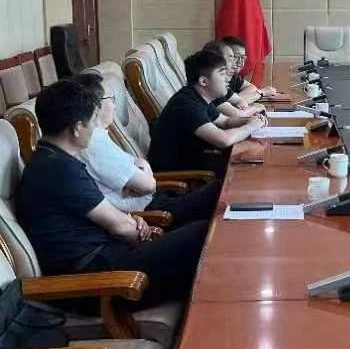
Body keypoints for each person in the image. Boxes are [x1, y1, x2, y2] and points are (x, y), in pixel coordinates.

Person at [15, 80, 207, 307]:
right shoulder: (59, 169)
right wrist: (133, 228)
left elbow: (109, 216)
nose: (94, 128)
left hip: (104, 259)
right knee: (202, 235)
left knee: (202, 237)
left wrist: (130, 221)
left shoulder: (51, 160)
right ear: (77, 128)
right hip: (96, 280)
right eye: (92, 121)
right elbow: (120, 227)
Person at [72, 73, 220, 225]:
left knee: (220, 191)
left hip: (154, 199)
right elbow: (148, 186)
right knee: (219, 192)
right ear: (96, 105)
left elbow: (142, 171)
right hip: (152, 211)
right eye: (111, 99)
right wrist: (142, 170)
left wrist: (142, 168)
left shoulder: (98, 136)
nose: (115, 106)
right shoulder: (94, 145)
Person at [147, 49, 266, 177]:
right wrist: (250, 126)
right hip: (180, 177)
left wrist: (250, 120)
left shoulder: (199, 96)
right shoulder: (186, 104)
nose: (228, 78)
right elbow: (223, 140)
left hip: (197, 165)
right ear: (203, 81)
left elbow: (225, 122)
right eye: (222, 74)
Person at [202, 40, 266, 118]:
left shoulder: (222, 84)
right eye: (231, 60)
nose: (235, 64)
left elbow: (240, 102)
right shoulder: (212, 86)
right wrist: (255, 108)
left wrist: (247, 111)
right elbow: (235, 114)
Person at [219, 35, 278, 104]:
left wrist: (237, 98)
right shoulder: (216, 79)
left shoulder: (232, 76)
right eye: (236, 56)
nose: (240, 61)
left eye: (243, 57)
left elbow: (252, 87)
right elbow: (229, 105)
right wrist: (262, 92)